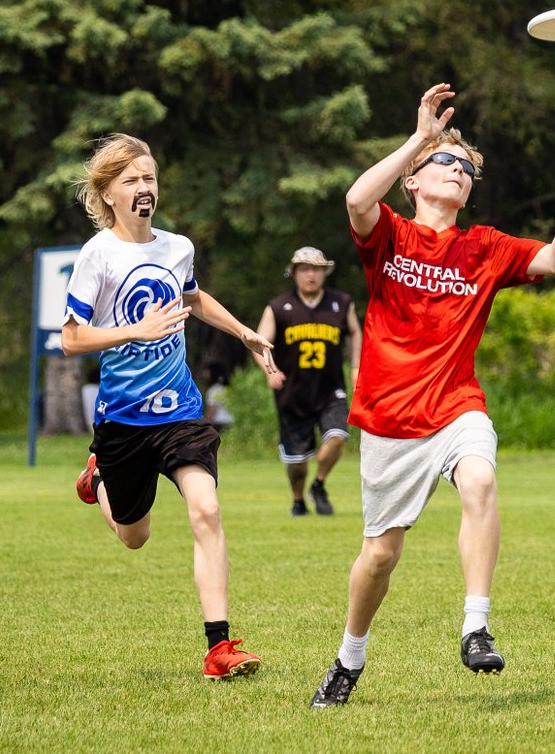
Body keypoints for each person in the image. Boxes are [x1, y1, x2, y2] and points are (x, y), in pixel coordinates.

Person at [309, 83, 555, 708]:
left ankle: (475, 625)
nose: (460, 172)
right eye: (448, 162)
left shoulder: (485, 247)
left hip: (456, 404)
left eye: (467, 169)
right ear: (414, 179)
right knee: (380, 556)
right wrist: (419, 137)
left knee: (481, 480)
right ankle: (348, 657)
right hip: (389, 418)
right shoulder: (388, 234)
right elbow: (356, 198)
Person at [62, 133, 276, 680]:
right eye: (131, 180)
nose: (144, 188)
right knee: (135, 537)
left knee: (206, 509)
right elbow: (71, 339)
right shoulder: (98, 254)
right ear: (108, 193)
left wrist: (245, 332)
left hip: (179, 411)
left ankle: (219, 648)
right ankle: (100, 478)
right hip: (123, 420)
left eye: (150, 178)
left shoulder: (177, 247)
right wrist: (135, 328)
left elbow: (191, 296)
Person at [255, 247, 363, 517]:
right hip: (293, 392)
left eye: (316, 269)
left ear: (325, 272)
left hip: (330, 390)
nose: (311, 274)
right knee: (298, 462)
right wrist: (269, 369)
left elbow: (355, 333)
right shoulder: (279, 307)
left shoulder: (341, 303)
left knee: (337, 437)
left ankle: (319, 483)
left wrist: (356, 366)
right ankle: (298, 499)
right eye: (304, 269)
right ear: (294, 273)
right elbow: (259, 343)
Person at [199, 361, 235, 434]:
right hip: (232, 423)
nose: (203, 375)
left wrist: (201, 426)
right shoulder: (227, 389)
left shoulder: (213, 390)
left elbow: (211, 413)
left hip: (219, 425)